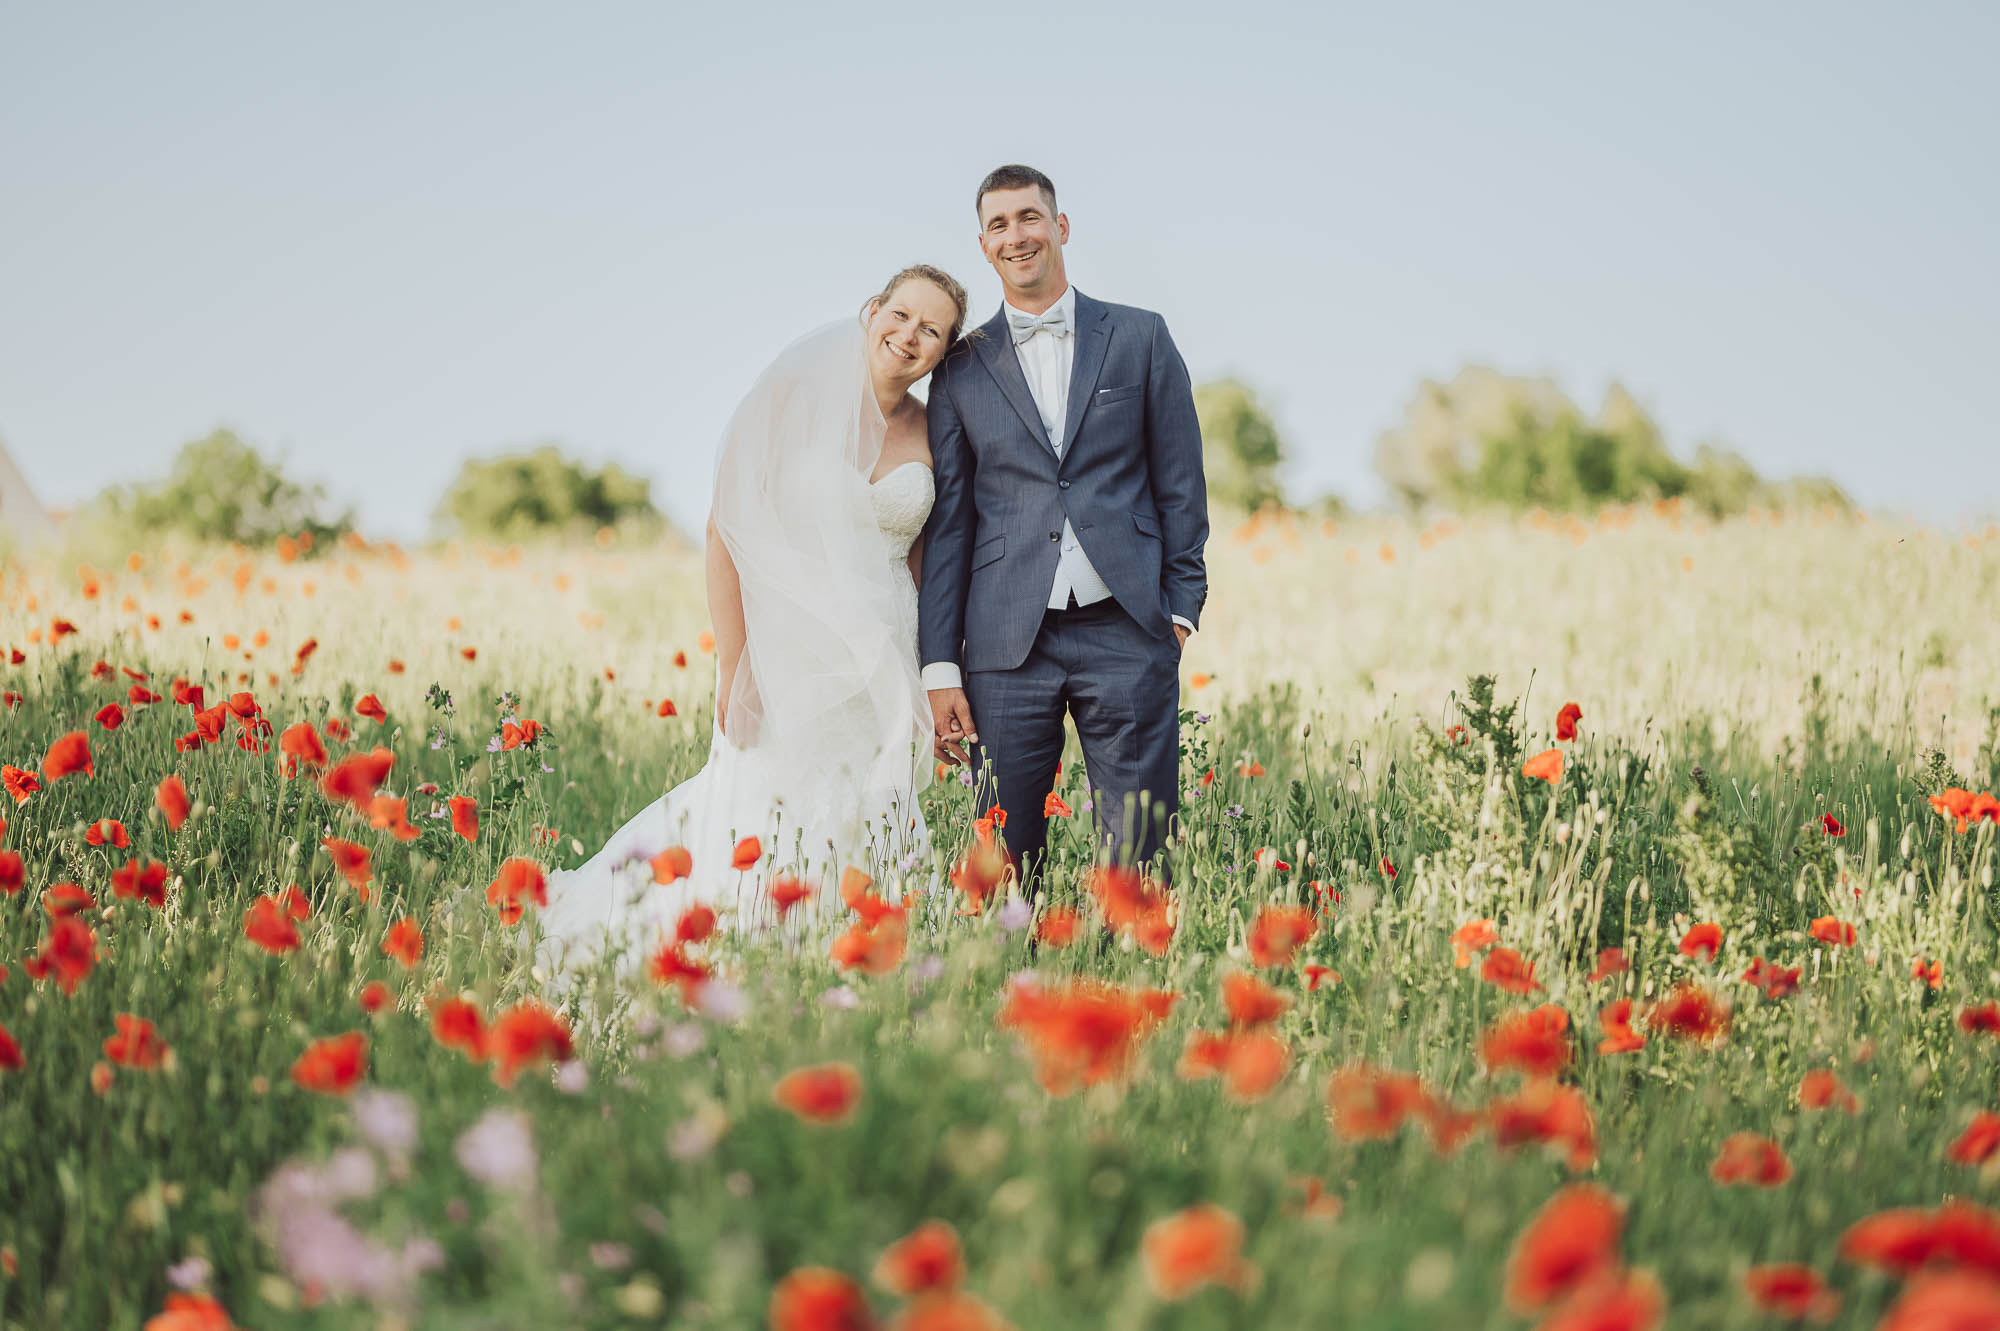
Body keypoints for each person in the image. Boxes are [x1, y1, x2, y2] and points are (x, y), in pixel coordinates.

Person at [537, 265, 969, 971]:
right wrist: (737, 664)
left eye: (932, 329)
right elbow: (723, 532)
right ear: (871, 310)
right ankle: (742, 955)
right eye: (900, 314)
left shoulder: (933, 433)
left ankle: (857, 961)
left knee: (871, 812)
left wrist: (927, 674)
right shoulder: (786, 401)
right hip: (784, 654)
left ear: (943, 352)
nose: (909, 335)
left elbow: (923, 562)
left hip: (881, 655)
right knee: (764, 805)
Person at [920, 165, 1209, 890]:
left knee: (1142, 855)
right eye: (998, 224)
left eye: (1028, 217)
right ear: (984, 245)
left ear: (1061, 226)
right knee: (1004, 861)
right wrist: (940, 667)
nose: (1015, 235)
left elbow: (1181, 483)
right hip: (1003, 643)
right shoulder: (958, 370)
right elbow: (949, 525)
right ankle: (1009, 994)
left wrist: (1178, 610)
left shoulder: (1140, 337)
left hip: (1130, 627)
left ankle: (1134, 995)